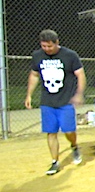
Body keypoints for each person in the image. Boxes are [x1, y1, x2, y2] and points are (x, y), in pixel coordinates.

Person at [25, 29, 86, 175]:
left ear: (57, 42)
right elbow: (34, 75)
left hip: (66, 100)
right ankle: (55, 162)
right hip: (47, 101)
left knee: (69, 130)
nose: (46, 49)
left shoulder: (70, 55)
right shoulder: (37, 56)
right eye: (44, 46)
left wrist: (79, 94)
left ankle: (74, 146)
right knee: (51, 132)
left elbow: (80, 74)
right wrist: (29, 95)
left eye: (49, 46)